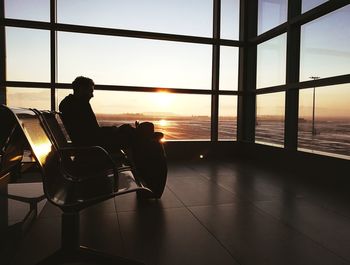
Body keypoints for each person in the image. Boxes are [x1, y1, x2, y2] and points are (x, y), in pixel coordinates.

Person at [59, 76, 167, 198]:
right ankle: (145, 139)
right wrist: (112, 131)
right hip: (96, 147)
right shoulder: (79, 104)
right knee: (139, 134)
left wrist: (112, 130)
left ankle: (143, 136)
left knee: (132, 133)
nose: (92, 95)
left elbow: (88, 131)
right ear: (80, 89)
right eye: (90, 91)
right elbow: (92, 134)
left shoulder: (71, 104)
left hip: (94, 143)